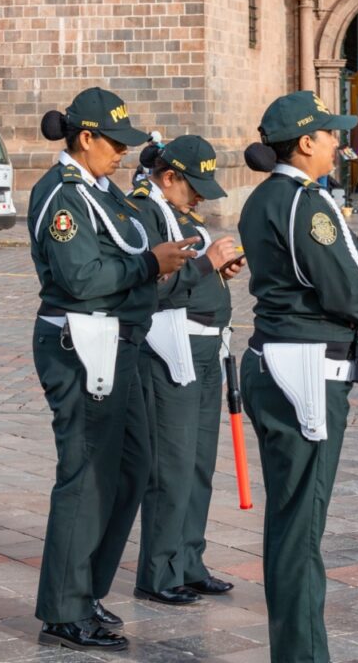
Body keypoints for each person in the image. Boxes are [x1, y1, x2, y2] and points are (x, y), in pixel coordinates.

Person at [27, 87, 198, 652]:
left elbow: (133, 243)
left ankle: (87, 588)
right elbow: (80, 278)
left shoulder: (102, 191)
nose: (122, 153)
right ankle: (64, 607)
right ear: (85, 138)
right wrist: (150, 263)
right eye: (114, 143)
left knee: (131, 466)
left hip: (118, 341)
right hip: (83, 344)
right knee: (87, 474)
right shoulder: (62, 194)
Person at [238, 91, 358, 663]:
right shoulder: (306, 203)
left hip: (277, 359)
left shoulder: (265, 199)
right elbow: (345, 291)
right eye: (330, 134)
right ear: (305, 143)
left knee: (291, 518)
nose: (338, 142)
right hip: (303, 370)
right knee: (302, 527)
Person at [128, 136, 244, 607]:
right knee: (171, 466)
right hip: (169, 346)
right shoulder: (144, 212)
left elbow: (188, 273)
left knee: (198, 464)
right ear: (168, 176)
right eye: (192, 186)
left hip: (205, 345)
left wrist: (219, 271)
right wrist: (205, 268)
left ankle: (189, 561)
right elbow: (149, 286)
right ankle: (159, 571)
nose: (198, 197)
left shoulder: (178, 211)